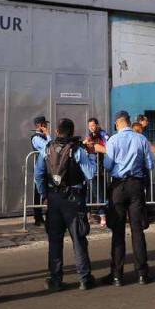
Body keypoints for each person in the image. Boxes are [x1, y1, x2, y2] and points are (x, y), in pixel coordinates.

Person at [35, 117, 97, 291]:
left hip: (54, 198)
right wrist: (91, 154)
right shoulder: (77, 150)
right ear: (72, 130)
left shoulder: (47, 148)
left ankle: (55, 279)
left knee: (55, 240)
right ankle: (84, 278)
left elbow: (39, 175)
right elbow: (90, 174)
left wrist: (43, 194)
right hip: (74, 198)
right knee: (78, 239)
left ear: (57, 131)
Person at [104, 111, 155, 285]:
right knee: (137, 230)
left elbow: (107, 165)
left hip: (118, 186)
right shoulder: (141, 139)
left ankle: (117, 275)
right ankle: (142, 273)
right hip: (136, 186)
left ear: (118, 123)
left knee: (117, 231)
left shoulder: (112, 140)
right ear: (128, 122)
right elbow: (150, 164)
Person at [84, 118, 108, 227]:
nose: (91, 128)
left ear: (97, 125)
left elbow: (107, 147)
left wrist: (96, 147)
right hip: (90, 168)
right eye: (90, 126)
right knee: (88, 193)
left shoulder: (103, 134)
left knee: (98, 192)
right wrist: (86, 144)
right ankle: (88, 216)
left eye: (93, 126)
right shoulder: (89, 135)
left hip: (99, 168)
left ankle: (102, 216)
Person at [29, 115, 51, 227]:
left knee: (45, 192)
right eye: (45, 124)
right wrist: (47, 134)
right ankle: (38, 217)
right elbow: (50, 146)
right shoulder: (36, 138)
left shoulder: (42, 136)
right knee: (39, 193)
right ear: (41, 126)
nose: (47, 126)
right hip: (41, 169)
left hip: (47, 168)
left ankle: (46, 216)